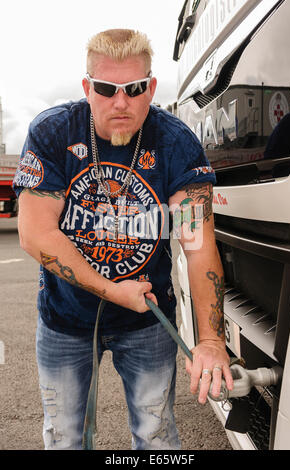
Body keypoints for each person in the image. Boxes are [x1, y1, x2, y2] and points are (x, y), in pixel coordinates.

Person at [13, 29, 233, 450]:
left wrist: (210, 340)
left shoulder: (176, 143)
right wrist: (114, 291)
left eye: (134, 89)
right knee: (63, 438)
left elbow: (198, 242)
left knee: (156, 436)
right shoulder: (55, 132)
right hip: (66, 319)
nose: (121, 102)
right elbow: (35, 233)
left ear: (151, 88)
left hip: (146, 321)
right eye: (106, 88)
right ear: (86, 87)